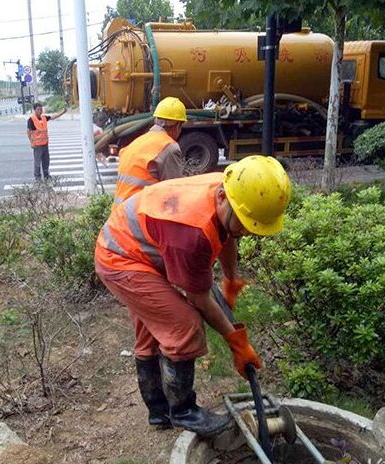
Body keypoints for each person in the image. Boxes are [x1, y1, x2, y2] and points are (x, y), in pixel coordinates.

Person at [94, 155, 292, 438]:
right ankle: (183, 411)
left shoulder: (228, 190)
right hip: (120, 259)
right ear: (224, 198)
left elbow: (226, 235)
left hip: (139, 247)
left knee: (152, 329)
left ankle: (159, 412)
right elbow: (199, 298)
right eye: (246, 224)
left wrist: (231, 278)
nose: (248, 232)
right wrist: (236, 342)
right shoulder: (192, 232)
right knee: (183, 325)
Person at [113, 96, 186, 207]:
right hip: (138, 217)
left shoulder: (139, 142)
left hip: (119, 216)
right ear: (177, 126)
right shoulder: (169, 147)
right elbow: (174, 194)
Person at [27, 102, 67, 181]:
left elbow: (53, 117)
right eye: (38, 109)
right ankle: (38, 177)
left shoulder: (43, 118)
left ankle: (46, 175)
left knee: (46, 161)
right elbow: (29, 131)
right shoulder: (31, 119)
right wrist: (31, 142)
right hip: (37, 145)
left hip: (45, 144)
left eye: (41, 109)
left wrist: (62, 112)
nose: (40, 111)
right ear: (34, 110)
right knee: (37, 162)